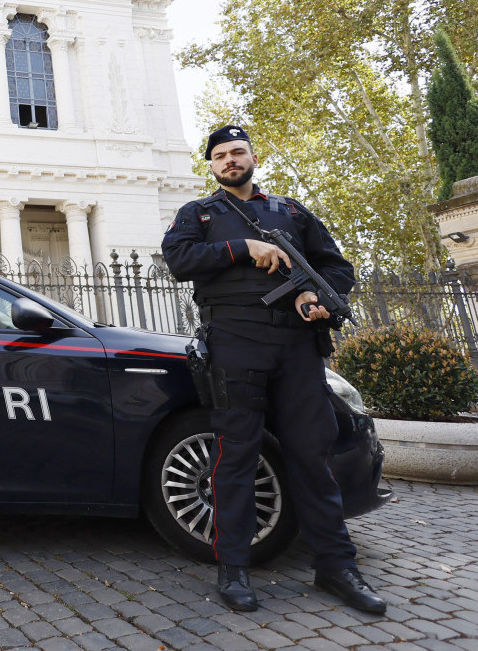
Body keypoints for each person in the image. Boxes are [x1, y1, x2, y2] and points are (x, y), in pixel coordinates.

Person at [161, 125, 386, 614]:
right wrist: (243, 248)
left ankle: (335, 565)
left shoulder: (291, 211)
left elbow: (338, 268)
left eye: (237, 152)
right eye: (220, 155)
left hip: (296, 347)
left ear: (253, 156)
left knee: (313, 455)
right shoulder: (198, 213)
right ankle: (234, 567)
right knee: (236, 456)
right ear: (212, 165)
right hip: (235, 345)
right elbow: (178, 259)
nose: (229, 160)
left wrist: (313, 294)